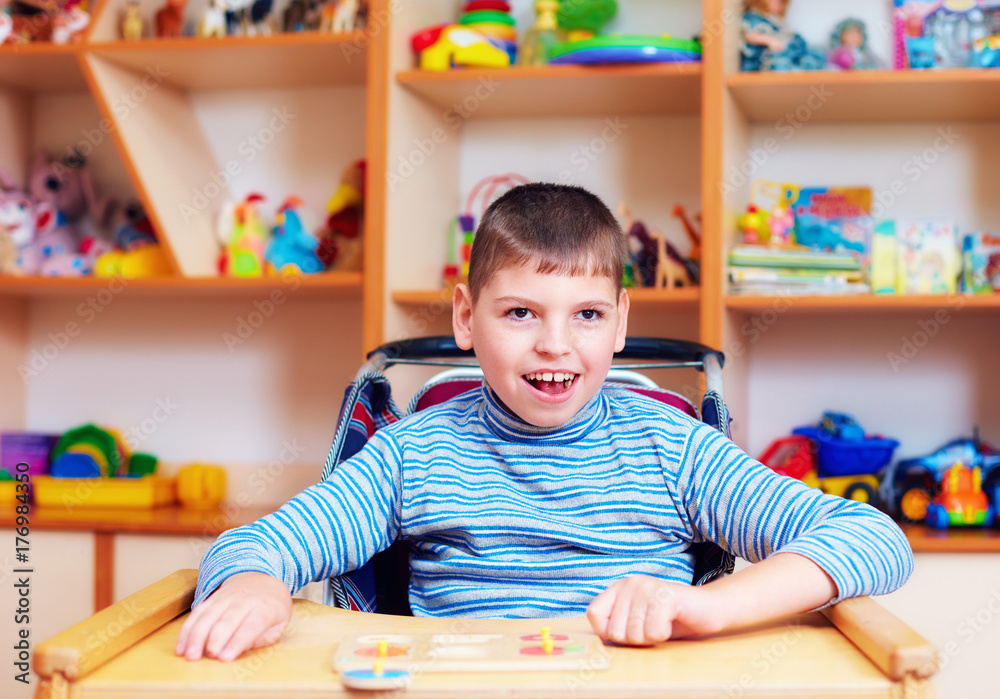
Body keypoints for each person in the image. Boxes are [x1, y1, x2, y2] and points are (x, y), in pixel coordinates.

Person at [175, 183, 913, 663]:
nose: (555, 344)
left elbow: (874, 537)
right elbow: (258, 543)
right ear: (467, 317)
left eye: (587, 315)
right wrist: (256, 582)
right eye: (520, 312)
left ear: (620, 323)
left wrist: (705, 608)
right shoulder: (416, 454)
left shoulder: (674, 451)